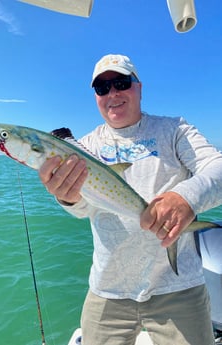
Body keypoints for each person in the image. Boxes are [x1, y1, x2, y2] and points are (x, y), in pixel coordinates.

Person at [39, 54, 222, 345]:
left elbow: (218, 168)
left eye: (121, 83)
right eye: (102, 88)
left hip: (179, 289)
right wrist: (68, 198)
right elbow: (84, 209)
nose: (112, 93)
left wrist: (185, 197)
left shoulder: (175, 131)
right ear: (96, 97)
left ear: (139, 86)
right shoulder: (86, 147)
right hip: (108, 290)